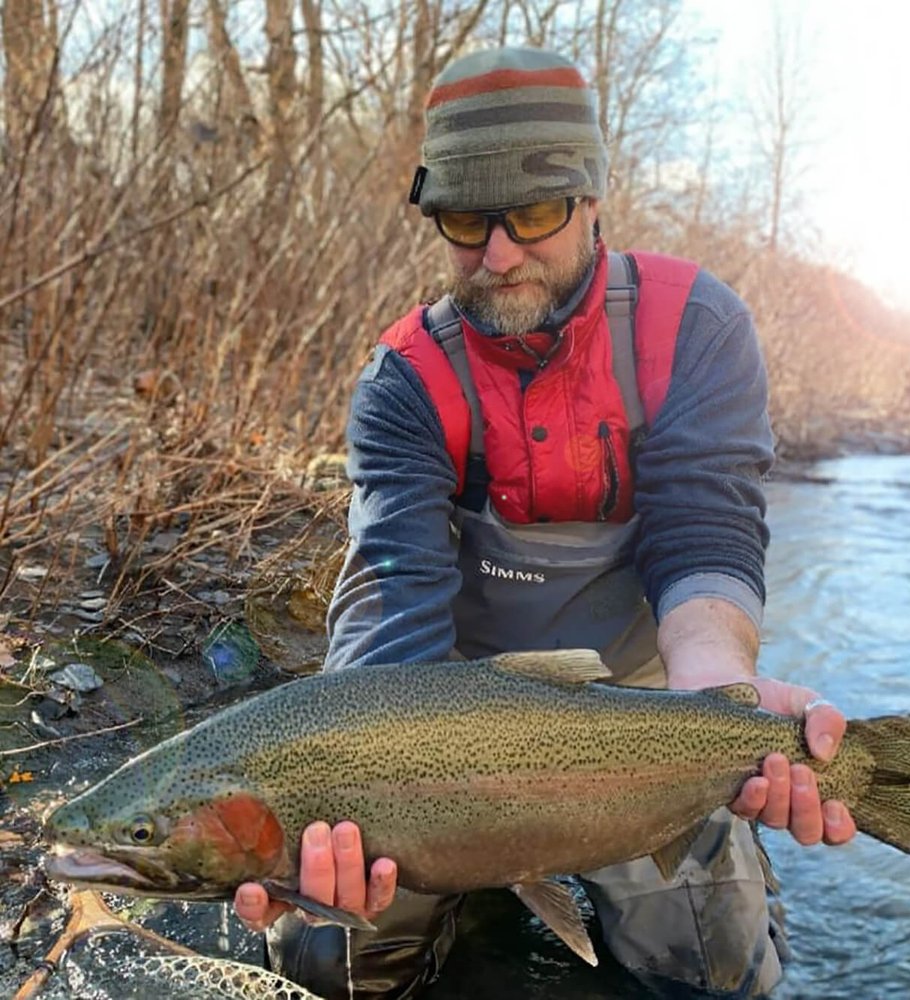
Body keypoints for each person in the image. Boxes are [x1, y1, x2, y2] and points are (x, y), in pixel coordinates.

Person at [234, 45, 857, 999]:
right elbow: (393, 599)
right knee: (330, 956)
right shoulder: (403, 381)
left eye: (532, 215)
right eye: (464, 220)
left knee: (715, 974)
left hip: (642, 722)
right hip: (443, 733)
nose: (499, 254)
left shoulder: (692, 327)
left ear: (595, 197)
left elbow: (705, 533)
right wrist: (348, 797)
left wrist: (719, 697)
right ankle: (465, 888)